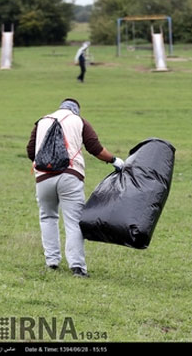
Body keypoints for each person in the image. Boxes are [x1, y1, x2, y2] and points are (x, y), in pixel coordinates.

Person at [26, 98, 124, 278]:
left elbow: (31, 151)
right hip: (70, 176)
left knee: (48, 217)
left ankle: (52, 262)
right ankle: (77, 267)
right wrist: (114, 160)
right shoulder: (79, 121)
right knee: (73, 221)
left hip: (43, 178)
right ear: (76, 110)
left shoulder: (42, 121)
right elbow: (95, 148)